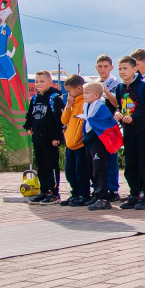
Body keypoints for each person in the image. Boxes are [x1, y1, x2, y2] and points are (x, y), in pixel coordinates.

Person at [114, 56, 145, 209]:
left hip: (143, 131)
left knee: (144, 164)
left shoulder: (143, 87)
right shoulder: (120, 88)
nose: (122, 72)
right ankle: (135, 194)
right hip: (128, 132)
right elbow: (120, 106)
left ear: (135, 69)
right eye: (120, 69)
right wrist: (118, 113)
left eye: (125, 68)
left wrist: (134, 116)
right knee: (130, 164)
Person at [24, 70, 65, 204]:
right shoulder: (35, 98)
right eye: (36, 81)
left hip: (50, 139)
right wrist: (28, 126)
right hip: (38, 137)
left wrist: (57, 137)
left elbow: (60, 120)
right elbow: (30, 114)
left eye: (42, 81)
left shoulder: (54, 98)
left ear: (50, 82)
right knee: (40, 165)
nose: (38, 84)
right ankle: (44, 190)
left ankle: (54, 192)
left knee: (50, 165)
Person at [82, 81, 123, 211]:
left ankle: (103, 198)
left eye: (87, 93)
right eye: (83, 92)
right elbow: (89, 120)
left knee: (100, 169)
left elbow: (107, 123)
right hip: (90, 141)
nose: (84, 95)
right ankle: (97, 193)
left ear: (96, 95)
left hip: (99, 142)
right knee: (91, 169)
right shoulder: (87, 106)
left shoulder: (101, 107)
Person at [59, 74, 91, 207]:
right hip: (70, 143)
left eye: (69, 91)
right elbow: (64, 120)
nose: (68, 94)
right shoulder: (72, 103)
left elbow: (82, 122)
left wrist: (78, 138)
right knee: (69, 171)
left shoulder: (84, 102)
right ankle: (75, 193)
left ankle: (84, 194)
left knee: (81, 170)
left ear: (79, 88)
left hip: (80, 144)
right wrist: (68, 106)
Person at [95, 53, 121, 200]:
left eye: (105, 66)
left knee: (110, 158)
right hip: (96, 126)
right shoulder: (95, 83)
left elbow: (117, 103)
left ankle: (113, 189)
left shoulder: (115, 83)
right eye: (100, 66)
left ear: (111, 67)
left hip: (109, 125)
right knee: (97, 160)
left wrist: (105, 92)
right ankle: (99, 188)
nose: (102, 69)